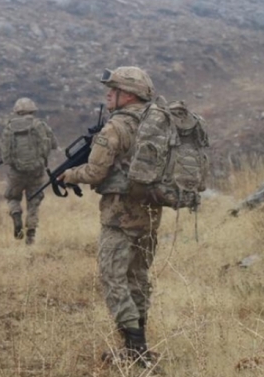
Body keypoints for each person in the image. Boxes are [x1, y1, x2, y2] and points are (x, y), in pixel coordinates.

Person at [57, 66, 161, 368]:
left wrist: (69, 175)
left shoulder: (114, 128)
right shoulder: (157, 123)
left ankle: (136, 352)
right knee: (138, 278)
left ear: (127, 95)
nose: (107, 94)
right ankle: (138, 348)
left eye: (112, 89)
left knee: (113, 278)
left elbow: (94, 172)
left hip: (119, 215)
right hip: (151, 213)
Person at [0, 97, 58, 245]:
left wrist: (14, 163)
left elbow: (5, 154)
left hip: (16, 173)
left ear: (17, 110)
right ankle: (30, 237)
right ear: (33, 110)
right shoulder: (41, 125)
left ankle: (16, 214)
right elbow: (53, 145)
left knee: (12, 197)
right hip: (36, 171)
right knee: (34, 202)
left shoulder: (9, 127)